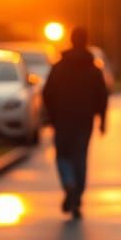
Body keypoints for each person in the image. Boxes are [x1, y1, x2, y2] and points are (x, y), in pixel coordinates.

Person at [42, 26, 109, 218]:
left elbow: (47, 93)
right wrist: (102, 120)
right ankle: (77, 196)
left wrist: (51, 116)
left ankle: (69, 184)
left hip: (62, 120)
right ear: (85, 41)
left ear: (71, 40)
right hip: (84, 121)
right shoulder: (93, 69)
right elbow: (102, 96)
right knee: (80, 158)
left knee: (63, 156)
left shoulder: (58, 67)